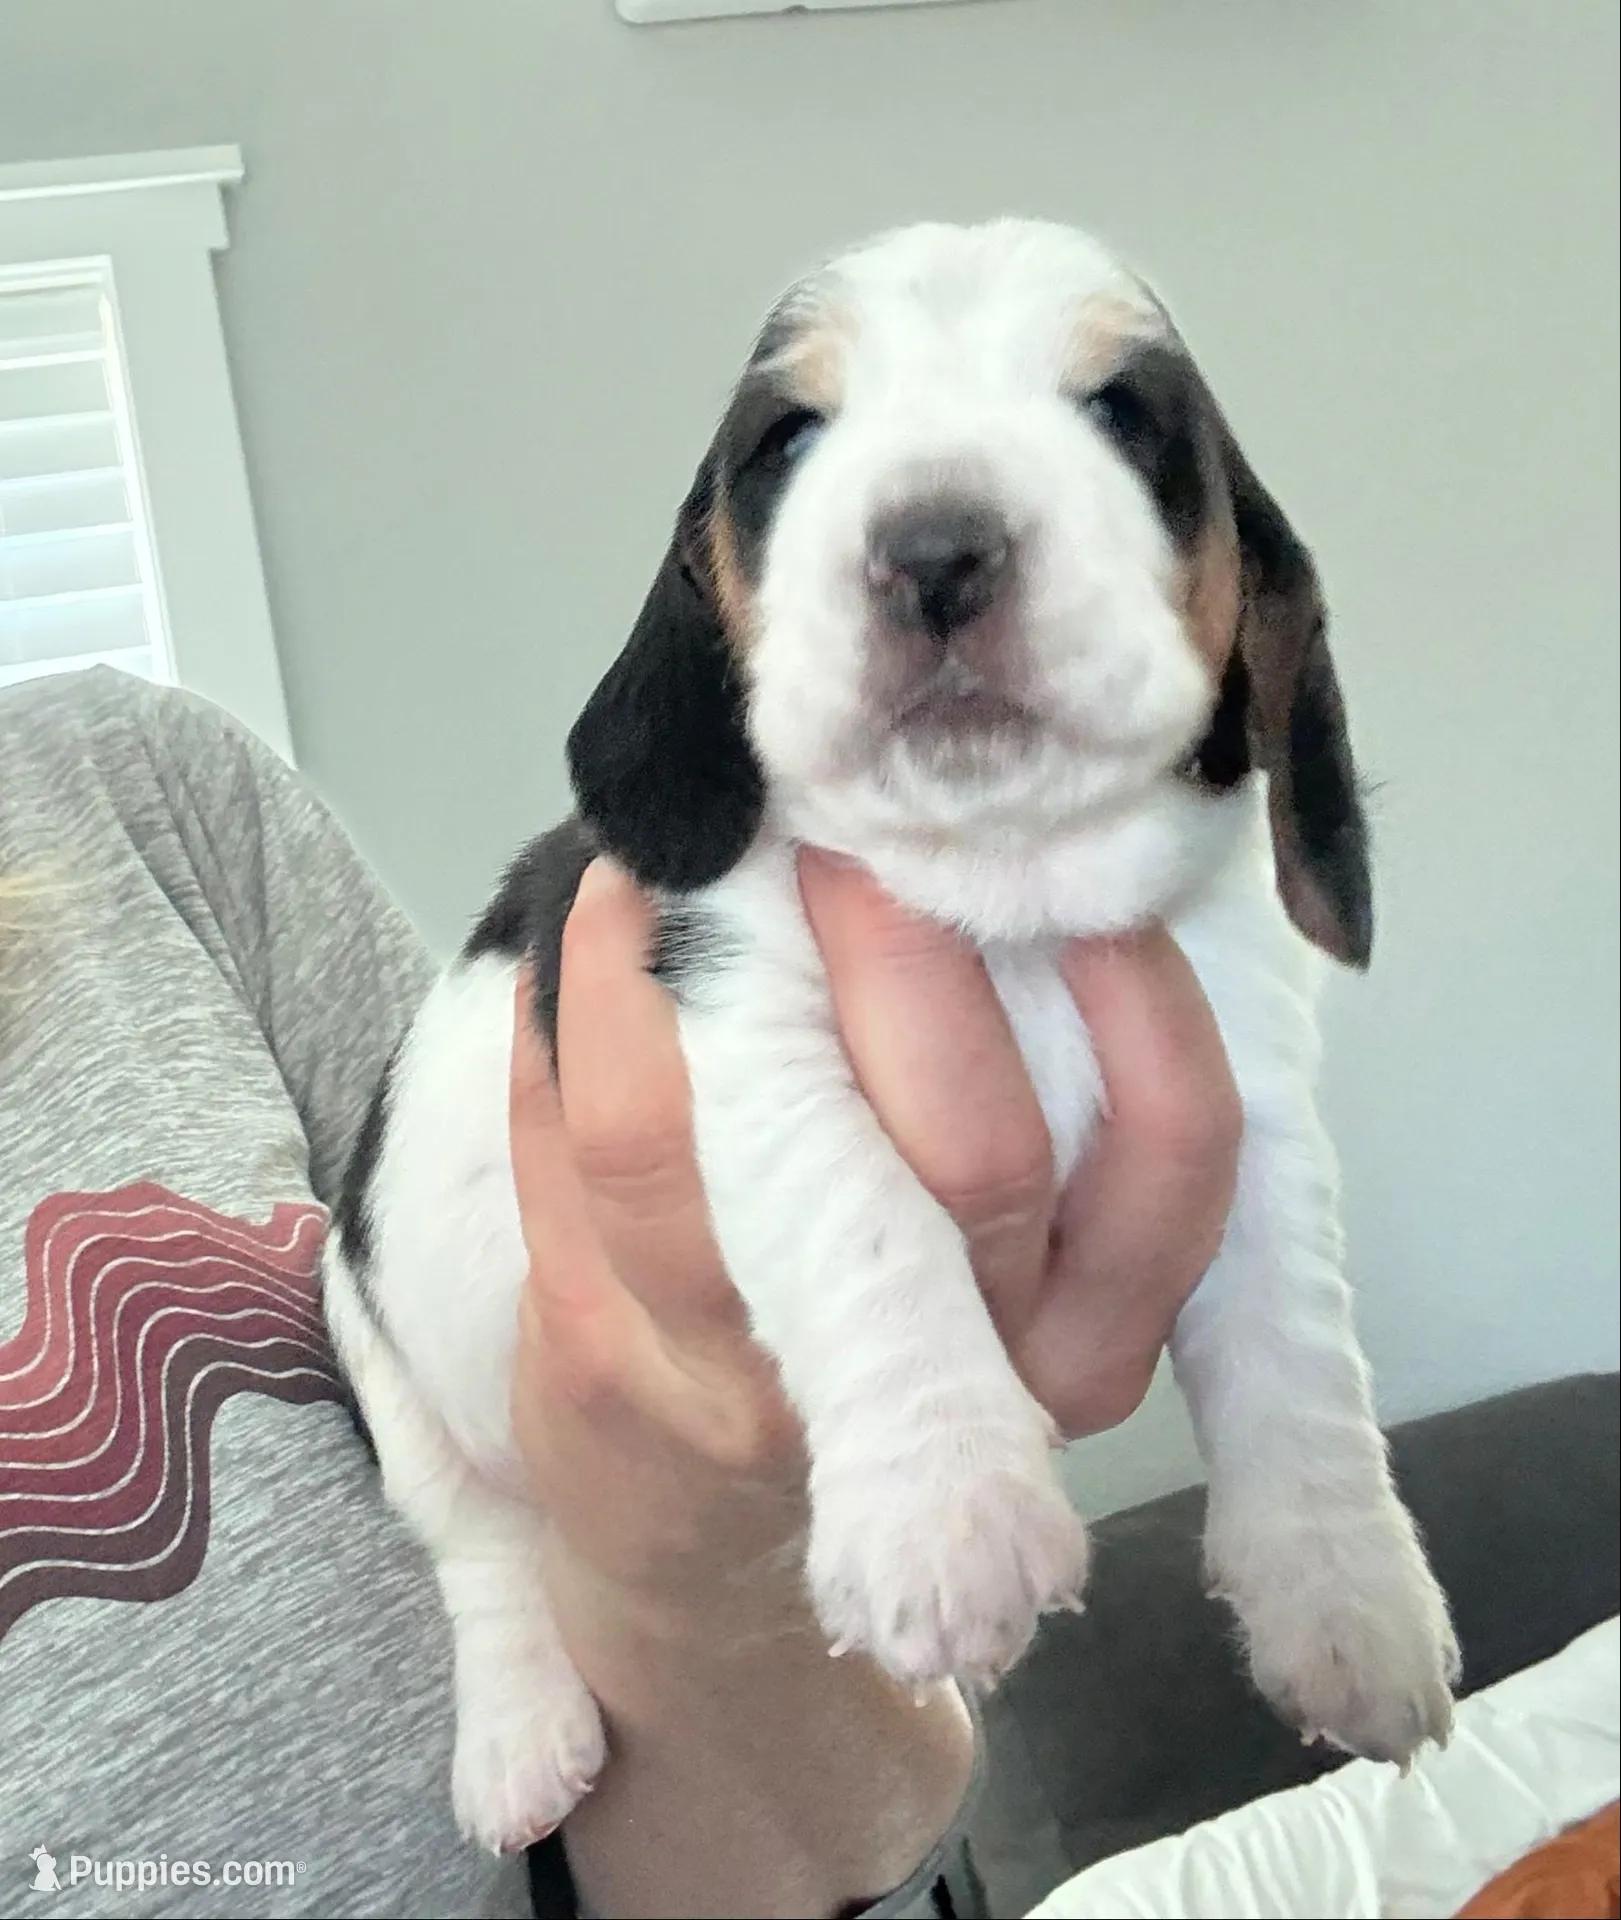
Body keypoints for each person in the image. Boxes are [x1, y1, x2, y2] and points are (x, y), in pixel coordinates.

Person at [0, 667, 1240, 1919]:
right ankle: (498, 1606)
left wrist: (713, 1550)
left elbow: (463, 1217)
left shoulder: (131, 783)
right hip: (506, 1499)